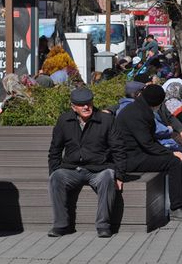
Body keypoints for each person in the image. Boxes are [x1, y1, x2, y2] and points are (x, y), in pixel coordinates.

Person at [112, 85, 182, 221]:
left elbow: (149, 141)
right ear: (157, 102)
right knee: (174, 162)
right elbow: (147, 143)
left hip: (139, 152)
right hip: (130, 158)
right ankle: (176, 208)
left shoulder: (140, 108)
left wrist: (171, 152)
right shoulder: (136, 113)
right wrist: (170, 154)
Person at [48, 88, 125, 238]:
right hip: (71, 169)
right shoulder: (64, 120)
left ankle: (103, 225)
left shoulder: (106, 120)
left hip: (99, 169)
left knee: (108, 176)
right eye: (81, 104)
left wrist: (120, 176)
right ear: (73, 107)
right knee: (55, 177)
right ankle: (61, 225)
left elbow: (119, 149)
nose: (86, 107)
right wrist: (54, 171)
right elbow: (55, 150)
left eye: (88, 103)